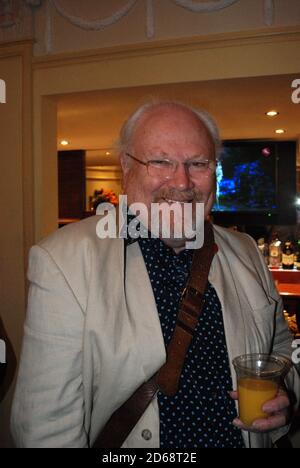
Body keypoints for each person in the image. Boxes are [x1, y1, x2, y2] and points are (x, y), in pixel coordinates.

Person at [11, 101, 299, 448]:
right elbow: (45, 429)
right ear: (126, 168)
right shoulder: (63, 261)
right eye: (161, 161)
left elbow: (280, 351)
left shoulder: (247, 250)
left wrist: (286, 394)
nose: (181, 181)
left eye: (198, 164)